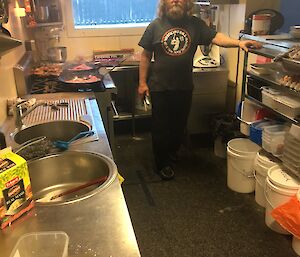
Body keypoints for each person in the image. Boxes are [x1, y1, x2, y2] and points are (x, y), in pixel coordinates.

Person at [138, 0, 262, 180]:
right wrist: (142, 83)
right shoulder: (155, 25)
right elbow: (145, 55)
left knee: (178, 126)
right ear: (164, 3)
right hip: (159, 87)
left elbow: (216, 37)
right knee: (160, 128)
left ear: (186, 3)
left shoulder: (195, 24)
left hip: (184, 86)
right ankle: (162, 163)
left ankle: (171, 155)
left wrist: (238, 43)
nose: (175, 1)